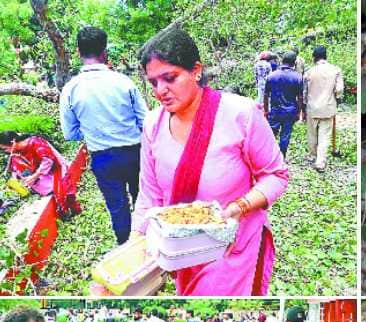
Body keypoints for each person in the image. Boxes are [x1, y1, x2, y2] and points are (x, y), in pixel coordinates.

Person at [132, 28, 289, 295]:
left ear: (196, 70)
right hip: (182, 247)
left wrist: (240, 207)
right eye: (153, 83)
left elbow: (276, 175)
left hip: (232, 245)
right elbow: (150, 195)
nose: (161, 91)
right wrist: (136, 243)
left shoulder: (241, 114)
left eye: (170, 78)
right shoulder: (152, 125)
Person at [60, 26, 148, 245]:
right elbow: (146, 121)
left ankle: (127, 252)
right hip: (134, 152)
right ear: (105, 51)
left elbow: (69, 133)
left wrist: (93, 130)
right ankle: (148, 246)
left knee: (117, 208)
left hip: (103, 158)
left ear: (78, 52)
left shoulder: (71, 89)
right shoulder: (123, 82)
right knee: (143, 202)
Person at [0, 131, 77, 215]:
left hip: (55, 168)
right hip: (42, 173)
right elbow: (15, 169)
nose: (6, 151)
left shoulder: (35, 142)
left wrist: (34, 176)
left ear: (12, 142)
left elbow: (48, 160)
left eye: (5, 149)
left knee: (62, 191)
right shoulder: (15, 153)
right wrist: (16, 178)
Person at [303, 45, 343, 172]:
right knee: (324, 135)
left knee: (312, 133)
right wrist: (337, 97)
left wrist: (304, 104)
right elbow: (339, 89)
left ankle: (312, 155)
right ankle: (320, 162)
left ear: (314, 57)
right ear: (326, 56)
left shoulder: (309, 71)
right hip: (328, 107)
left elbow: (304, 90)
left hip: (312, 108)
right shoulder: (335, 70)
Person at [264, 52, 304, 157]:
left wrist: (266, 110)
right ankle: (282, 157)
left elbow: (266, 95)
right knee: (285, 136)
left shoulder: (272, 75)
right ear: (294, 63)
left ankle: (268, 156)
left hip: (275, 110)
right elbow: (300, 97)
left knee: (270, 135)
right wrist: (298, 112)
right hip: (290, 111)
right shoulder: (298, 77)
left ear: (282, 61)